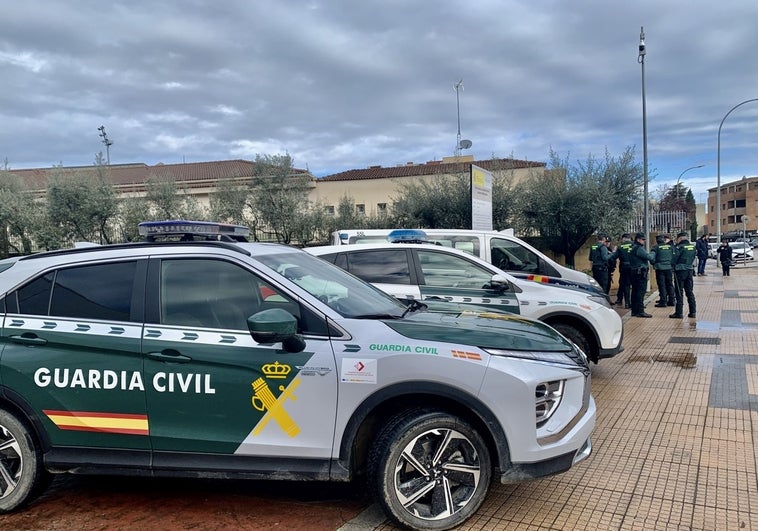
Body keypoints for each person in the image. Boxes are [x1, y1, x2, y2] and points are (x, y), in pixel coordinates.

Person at [671, 231, 697, 319]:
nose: (676, 241)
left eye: (677, 239)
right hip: (689, 270)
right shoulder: (692, 247)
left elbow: (674, 259)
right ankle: (692, 312)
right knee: (689, 292)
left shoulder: (679, 247)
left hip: (680, 271)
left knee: (679, 292)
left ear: (680, 238)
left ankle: (679, 313)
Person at [629, 232, 655, 318]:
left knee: (635, 292)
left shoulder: (632, 247)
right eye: (643, 239)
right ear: (638, 239)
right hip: (640, 273)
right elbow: (649, 257)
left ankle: (634, 311)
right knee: (640, 292)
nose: (644, 241)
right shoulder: (639, 248)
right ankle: (640, 311)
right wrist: (653, 253)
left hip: (633, 272)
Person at [651, 234, 676, 308]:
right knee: (669, 284)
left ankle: (663, 301)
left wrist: (653, 263)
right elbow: (674, 256)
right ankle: (671, 300)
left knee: (662, 285)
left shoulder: (656, 247)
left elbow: (652, 257)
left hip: (660, 268)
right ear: (664, 240)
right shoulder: (670, 247)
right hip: (668, 268)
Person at [610, 233, 632, 308]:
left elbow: (614, 257)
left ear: (623, 238)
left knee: (625, 285)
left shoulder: (620, 247)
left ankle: (627, 303)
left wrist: (613, 251)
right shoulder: (634, 245)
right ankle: (634, 302)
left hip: (624, 268)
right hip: (634, 267)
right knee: (635, 286)